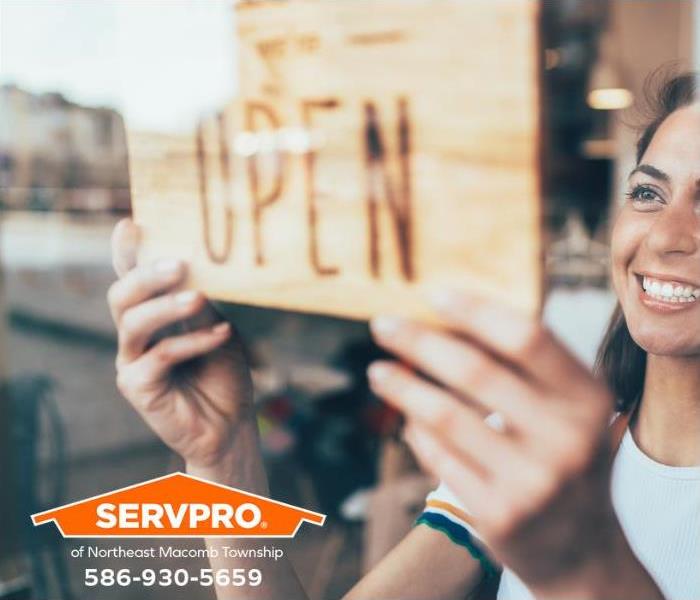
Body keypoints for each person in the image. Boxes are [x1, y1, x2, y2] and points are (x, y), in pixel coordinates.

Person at [107, 71, 699, 599]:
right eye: (649, 193)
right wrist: (224, 456)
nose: (667, 237)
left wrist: (585, 568)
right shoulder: (535, 453)